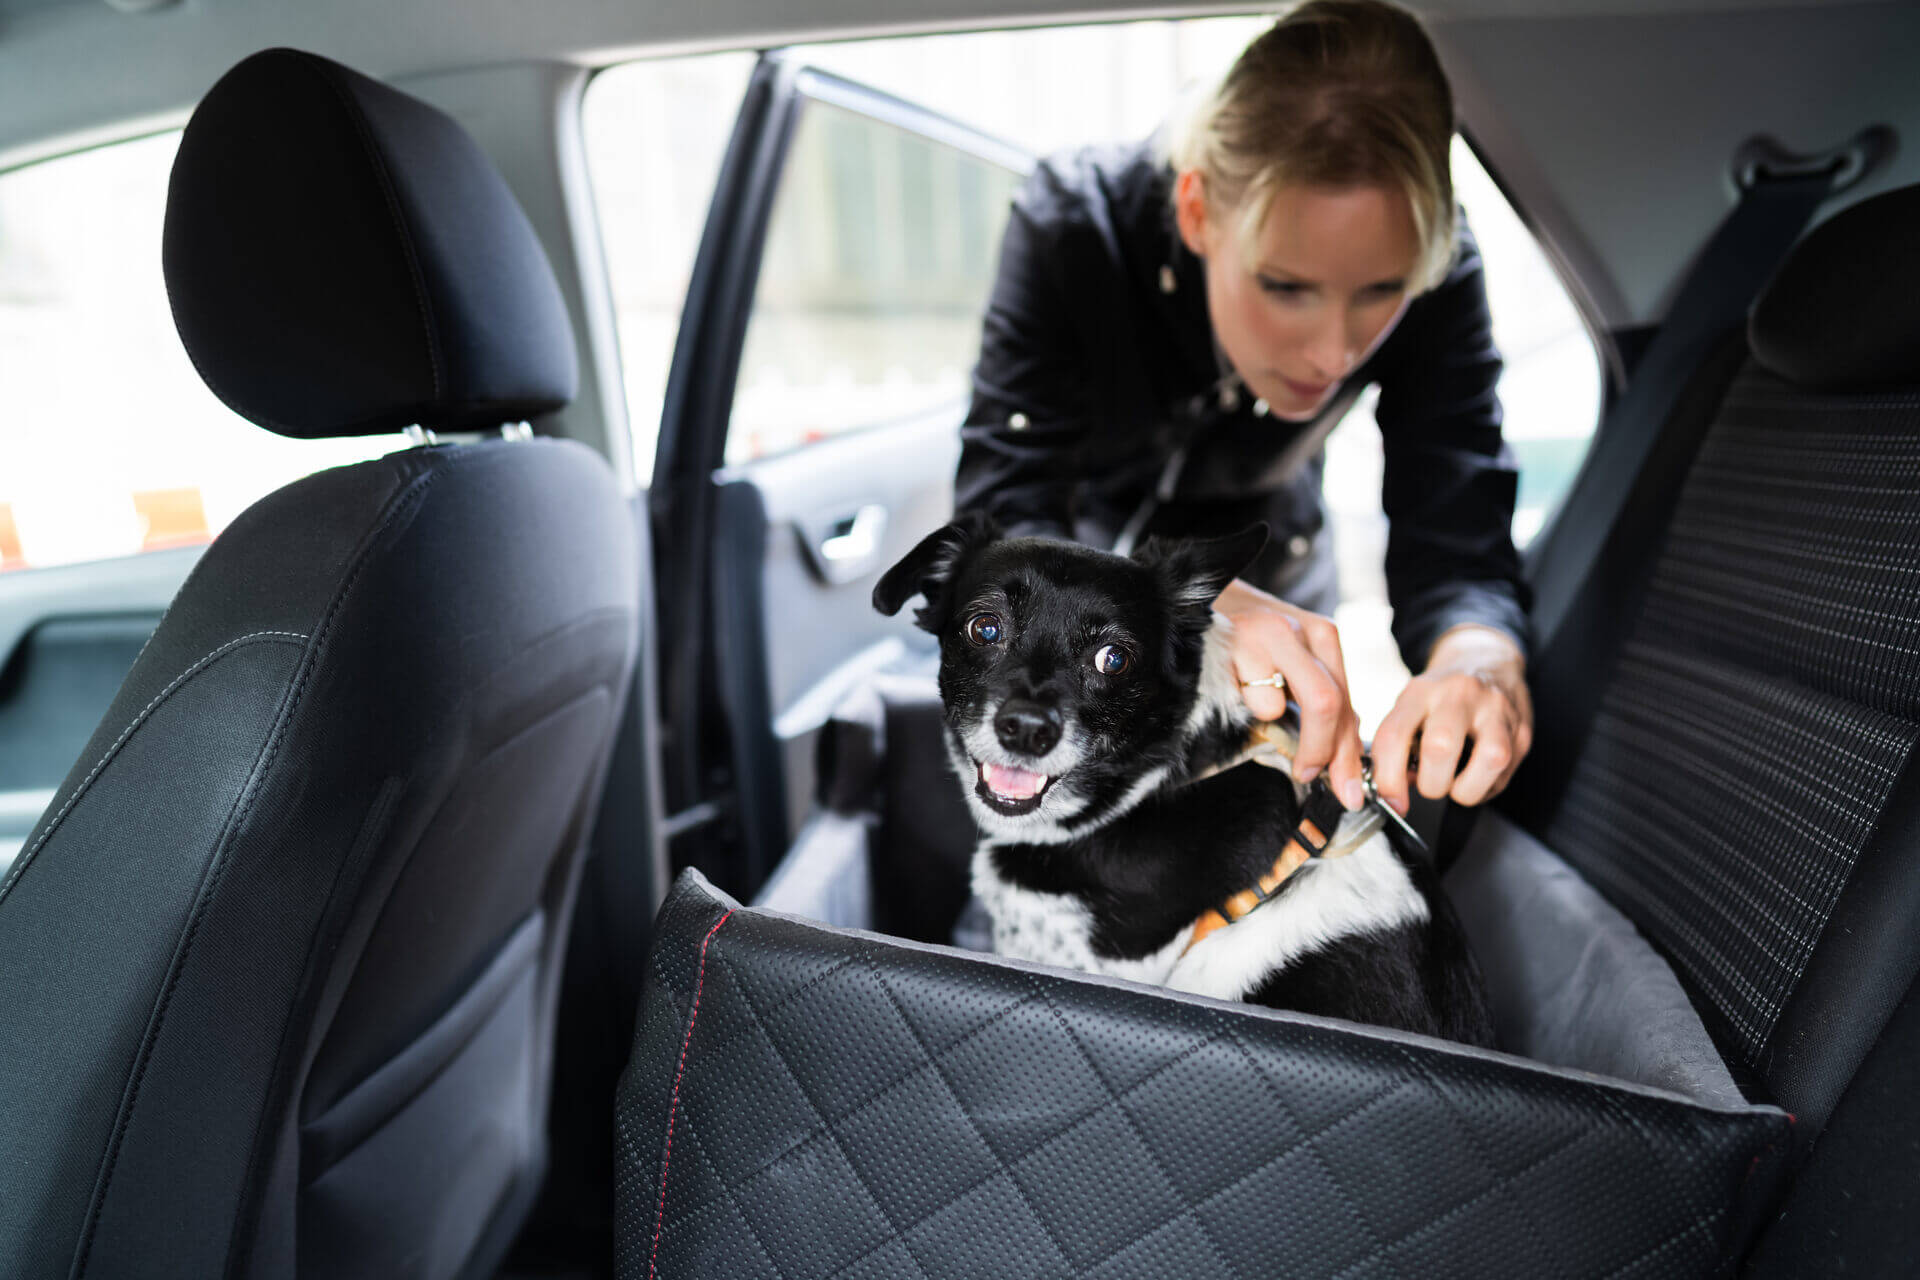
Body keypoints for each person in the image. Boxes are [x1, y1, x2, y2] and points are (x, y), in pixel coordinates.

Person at [955, 0, 1533, 818]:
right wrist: (1176, 606)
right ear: (1197, 212)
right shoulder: (1074, 227)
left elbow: (1458, 530)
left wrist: (1479, 660)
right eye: (1286, 287)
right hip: (1067, 589)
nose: (1335, 353)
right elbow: (1003, 507)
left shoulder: (1441, 269)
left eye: (1381, 292)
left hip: (1277, 573)